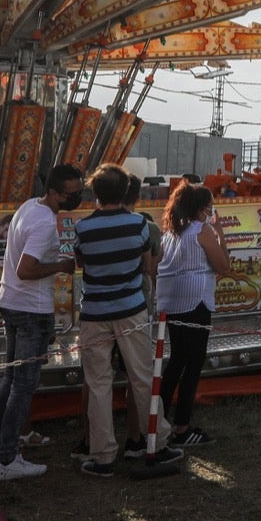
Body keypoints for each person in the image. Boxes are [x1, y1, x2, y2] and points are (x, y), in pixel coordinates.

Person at [74, 164, 179, 477]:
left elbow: (81, 262)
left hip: (94, 312)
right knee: (142, 375)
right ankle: (155, 441)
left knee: (98, 382)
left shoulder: (83, 227)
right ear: (124, 192)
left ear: (97, 193)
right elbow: (147, 265)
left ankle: (102, 454)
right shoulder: (138, 225)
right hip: (131, 308)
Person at [0, 165, 81, 480]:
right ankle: (8, 458)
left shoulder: (29, 207)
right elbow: (26, 269)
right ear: (54, 192)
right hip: (31, 309)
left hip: (10, 302)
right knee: (23, 385)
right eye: (72, 193)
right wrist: (61, 265)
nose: (77, 197)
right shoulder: (43, 224)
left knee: (10, 381)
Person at [154, 182, 233, 447]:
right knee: (192, 363)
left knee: (176, 362)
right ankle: (182, 426)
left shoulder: (171, 232)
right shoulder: (202, 230)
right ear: (202, 209)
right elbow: (223, 265)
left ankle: (160, 421)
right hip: (196, 300)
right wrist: (221, 233)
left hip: (172, 302)